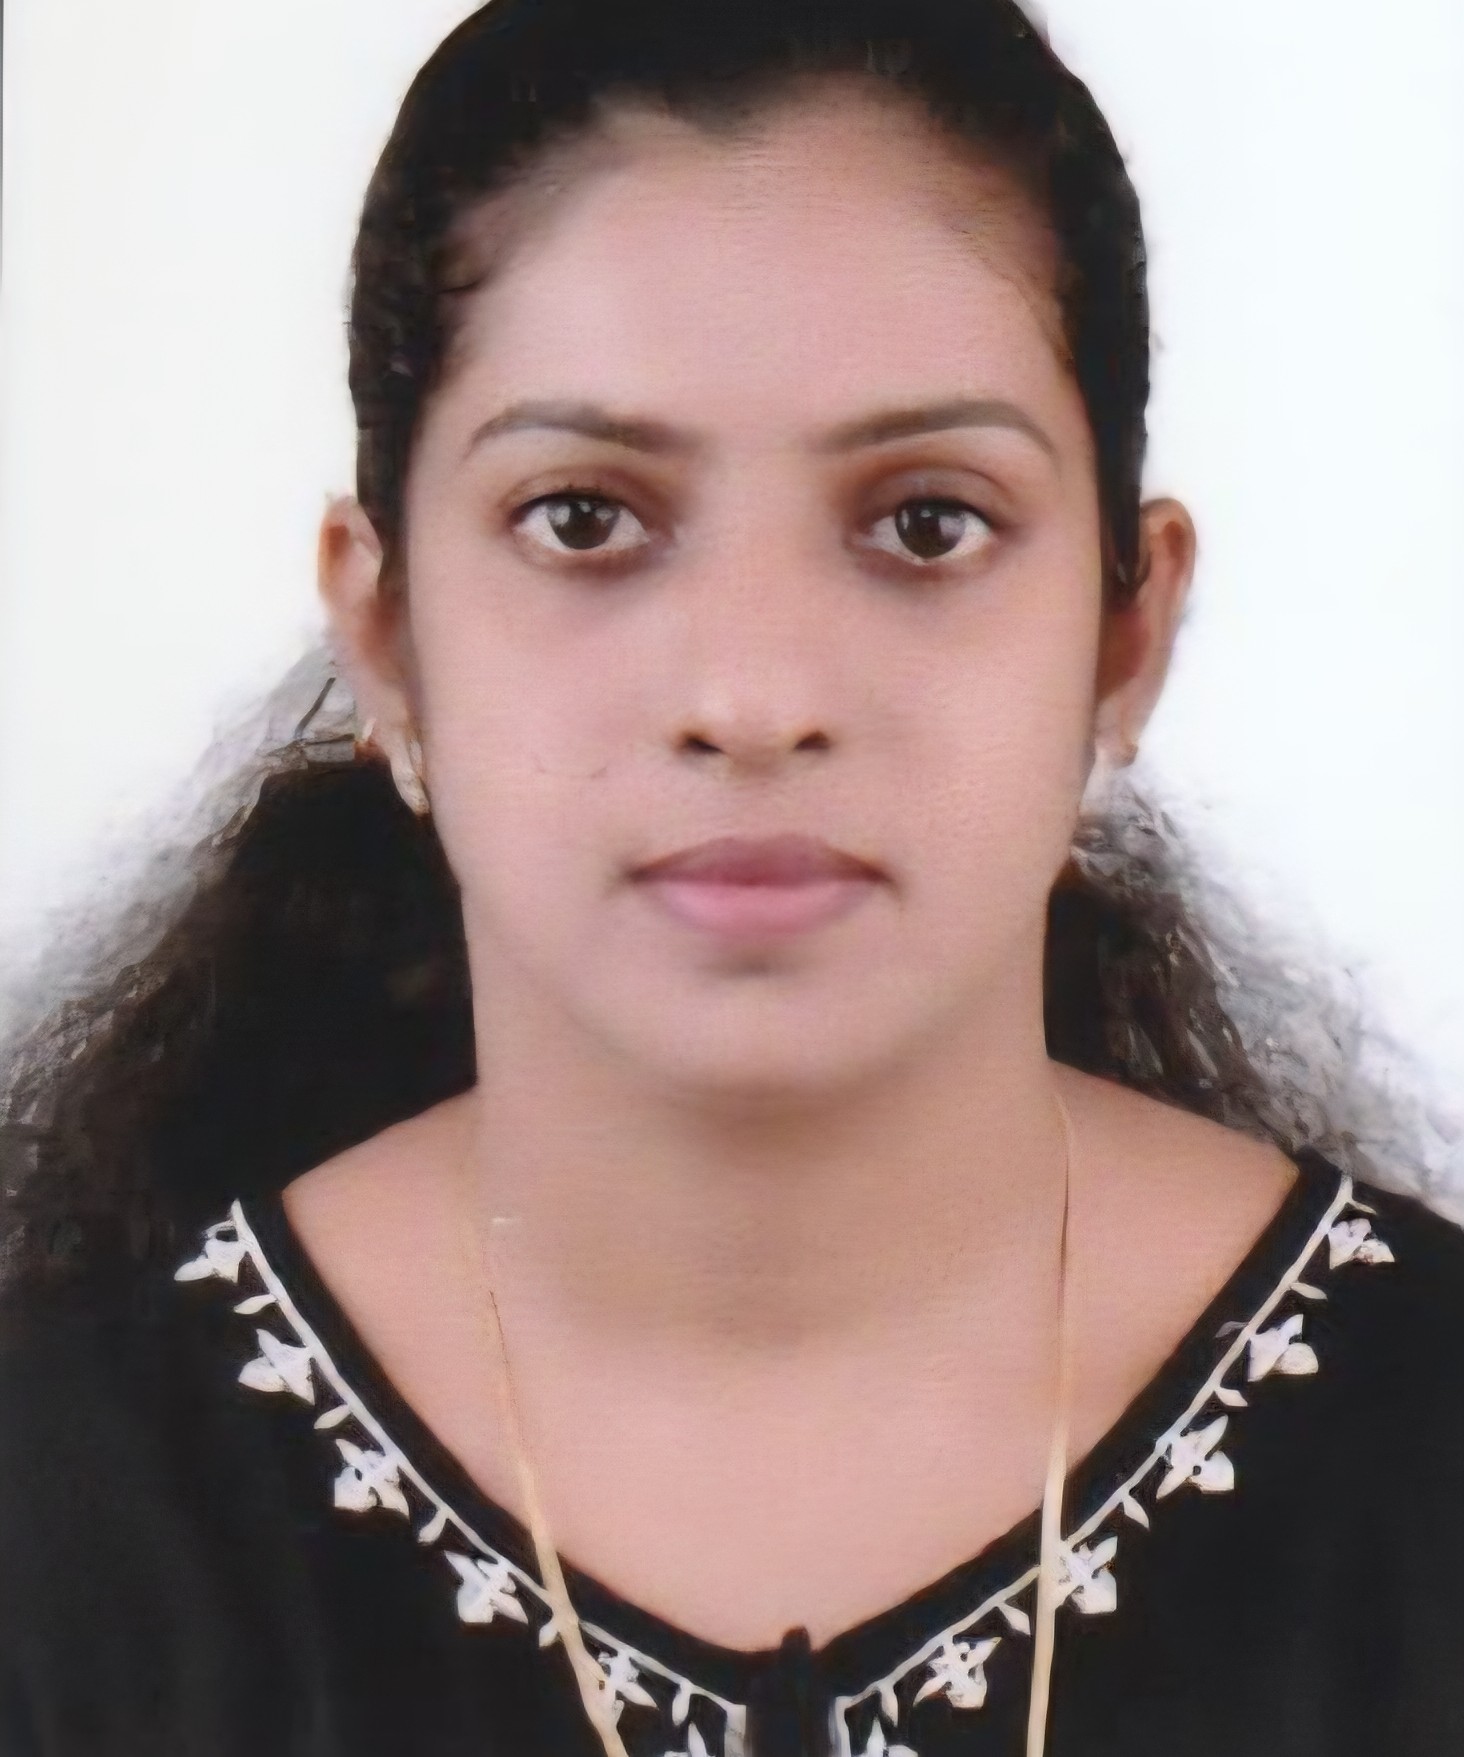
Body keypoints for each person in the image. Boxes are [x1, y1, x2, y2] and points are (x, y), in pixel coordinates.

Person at [1, 1, 1461, 1753]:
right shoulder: (63, 1525)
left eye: (927, 522)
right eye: (584, 518)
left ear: (1123, 634)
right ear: (384, 634)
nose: (754, 697)